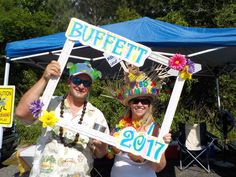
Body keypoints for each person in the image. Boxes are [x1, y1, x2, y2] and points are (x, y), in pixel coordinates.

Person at [15, 60, 109, 177]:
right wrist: (44, 78)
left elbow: (100, 154)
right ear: (69, 82)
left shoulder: (97, 115)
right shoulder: (49, 103)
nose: (81, 86)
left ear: (90, 87)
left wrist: (102, 147)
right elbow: (21, 112)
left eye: (86, 83)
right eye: (77, 80)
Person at [109, 63, 172, 177]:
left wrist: (161, 146)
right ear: (130, 104)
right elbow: (113, 152)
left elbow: (158, 168)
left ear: (149, 105)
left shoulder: (155, 129)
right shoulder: (120, 123)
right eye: (136, 100)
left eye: (145, 101)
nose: (140, 104)